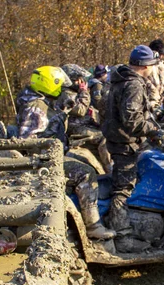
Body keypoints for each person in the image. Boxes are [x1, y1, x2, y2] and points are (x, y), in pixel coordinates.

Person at [16, 66, 115, 240]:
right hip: (43, 161)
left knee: (88, 162)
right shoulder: (35, 108)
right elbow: (29, 142)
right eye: (59, 86)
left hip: (51, 154)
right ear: (49, 85)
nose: (62, 89)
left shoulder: (37, 99)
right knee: (86, 173)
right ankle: (93, 226)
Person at [103, 45, 164, 252]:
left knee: (126, 180)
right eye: (153, 64)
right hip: (125, 142)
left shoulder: (120, 79)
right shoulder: (134, 85)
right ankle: (122, 237)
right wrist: (153, 130)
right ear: (145, 65)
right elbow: (131, 119)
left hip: (119, 139)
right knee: (123, 188)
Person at [61, 64, 113, 174]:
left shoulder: (73, 93)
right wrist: (84, 92)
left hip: (83, 125)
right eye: (80, 80)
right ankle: (111, 170)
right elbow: (80, 110)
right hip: (75, 128)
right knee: (105, 138)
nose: (83, 82)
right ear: (73, 80)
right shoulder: (66, 94)